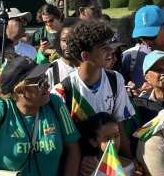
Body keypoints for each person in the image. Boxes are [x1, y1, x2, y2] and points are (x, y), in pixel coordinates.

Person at [56, 21, 134, 157]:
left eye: (110, 46)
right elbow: (64, 143)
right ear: (85, 56)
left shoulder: (116, 79)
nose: (111, 51)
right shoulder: (62, 91)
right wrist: (81, 163)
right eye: (104, 47)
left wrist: (131, 161)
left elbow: (119, 127)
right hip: (80, 167)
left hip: (110, 162)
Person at [80, 112, 147, 176]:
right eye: (107, 139)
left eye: (116, 136)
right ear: (94, 142)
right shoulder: (88, 168)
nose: (114, 142)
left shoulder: (131, 167)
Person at [46, 20, 78, 86]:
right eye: (64, 40)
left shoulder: (89, 67)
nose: (67, 44)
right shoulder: (52, 70)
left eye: (72, 40)